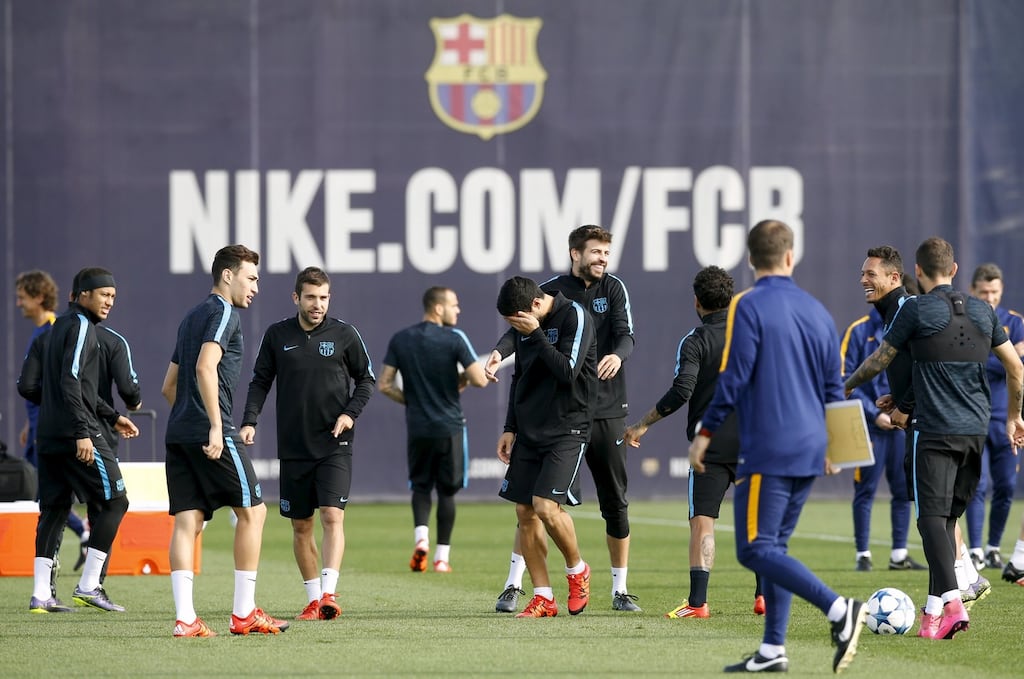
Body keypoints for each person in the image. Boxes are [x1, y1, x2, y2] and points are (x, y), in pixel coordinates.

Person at [690, 220, 866, 674]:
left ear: (750, 259)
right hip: (812, 447)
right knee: (776, 547)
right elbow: (834, 387)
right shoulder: (817, 310)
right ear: (791, 256)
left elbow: (734, 377)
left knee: (753, 549)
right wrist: (839, 447)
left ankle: (839, 609)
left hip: (771, 446)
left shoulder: (747, 305)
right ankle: (772, 650)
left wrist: (705, 434)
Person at [844, 237, 1024, 640]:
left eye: (869, 274)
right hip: (975, 428)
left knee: (930, 520)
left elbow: (879, 361)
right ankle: (932, 614)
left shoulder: (915, 309)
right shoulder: (982, 310)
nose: (863, 280)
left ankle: (957, 596)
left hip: (933, 427)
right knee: (945, 520)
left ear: (914, 272)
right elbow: (1016, 368)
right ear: (955, 270)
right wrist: (1015, 416)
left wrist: (847, 385)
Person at [486, 224, 639, 613]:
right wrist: (500, 353)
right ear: (575, 253)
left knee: (608, 500)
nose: (603, 258)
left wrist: (617, 355)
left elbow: (623, 337)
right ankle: (528, 589)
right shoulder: (546, 292)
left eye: (606, 252)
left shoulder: (603, 296)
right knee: (528, 508)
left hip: (592, 410)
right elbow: (519, 353)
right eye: (596, 251)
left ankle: (616, 587)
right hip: (541, 416)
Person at [623, 266, 764, 619]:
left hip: (709, 445)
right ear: (731, 298)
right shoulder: (752, 333)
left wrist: (642, 424)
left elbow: (682, 390)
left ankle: (698, 603)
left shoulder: (695, 340)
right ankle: (764, 596)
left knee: (703, 521)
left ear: (697, 301)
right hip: (754, 441)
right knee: (758, 521)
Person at [162, 244, 287, 637]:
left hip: (179, 431)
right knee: (254, 513)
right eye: (251, 278)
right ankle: (244, 613)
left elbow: (168, 386)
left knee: (188, 520)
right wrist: (215, 425)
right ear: (228, 275)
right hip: (209, 430)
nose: (255, 287)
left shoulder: (190, 316)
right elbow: (205, 366)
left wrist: (190, 417)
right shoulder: (223, 312)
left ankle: (185, 619)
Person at [240, 266, 375, 622]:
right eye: (311, 297)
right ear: (296, 298)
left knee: (332, 515)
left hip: (334, 442)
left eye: (324, 298)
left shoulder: (345, 334)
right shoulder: (277, 334)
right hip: (294, 446)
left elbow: (366, 380)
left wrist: (350, 414)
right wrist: (250, 420)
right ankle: (314, 600)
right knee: (301, 526)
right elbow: (260, 381)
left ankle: (329, 593)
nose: (318, 305)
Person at [17, 267, 139, 614]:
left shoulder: (51, 330)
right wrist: (82, 432)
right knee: (116, 502)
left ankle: (41, 594)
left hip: (48, 436)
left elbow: (31, 386)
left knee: (54, 509)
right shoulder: (84, 327)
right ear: (82, 294)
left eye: (113, 296)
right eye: (104, 295)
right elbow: (72, 381)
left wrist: (111, 416)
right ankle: (89, 585)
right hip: (77, 434)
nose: (109, 302)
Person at [494, 276, 595, 619]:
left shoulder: (574, 316)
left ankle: (577, 570)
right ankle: (543, 597)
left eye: (517, 321)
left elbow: (568, 371)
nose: (516, 328)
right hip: (529, 429)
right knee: (525, 512)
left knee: (545, 506)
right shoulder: (528, 324)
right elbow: (519, 377)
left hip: (568, 426)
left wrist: (536, 334)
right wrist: (510, 428)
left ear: (535, 305)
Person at [379, 286, 488, 574]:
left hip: (418, 427)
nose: (458, 310)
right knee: (447, 493)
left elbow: (384, 384)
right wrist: (462, 379)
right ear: (438, 308)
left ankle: (421, 540)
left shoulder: (401, 339)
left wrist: (412, 400)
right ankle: (441, 558)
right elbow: (479, 379)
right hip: (449, 427)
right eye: (454, 304)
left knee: (421, 487)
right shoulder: (455, 338)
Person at [839, 247, 926, 572]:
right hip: (870, 425)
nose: (862, 280)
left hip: (902, 419)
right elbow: (846, 379)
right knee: (865, 490)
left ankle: (899, 554)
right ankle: (863, 553)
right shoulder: (858, 330)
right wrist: (874, 412)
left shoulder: (908, 316)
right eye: (862, 274)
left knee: (904, 490)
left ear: (894, 278)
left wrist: (901, 403)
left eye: (869, 274)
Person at [15, 270, 90, 563]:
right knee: (43, 495)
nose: (18, 303)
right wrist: (28, 423)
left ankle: (72, 539)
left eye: (22, 297)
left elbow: (60, 383)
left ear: (38, 297)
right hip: (38, 425)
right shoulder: (41, 330)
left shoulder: (53, 329)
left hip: (50, 428)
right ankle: (74, 538)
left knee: (49, 495)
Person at [964, 263, 1024, 570]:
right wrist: (1009, 357)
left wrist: (995, 360)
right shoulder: (964, 320)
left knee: (1006, 486)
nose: (990, 297)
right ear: (973, 290)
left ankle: (993, 548)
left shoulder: (1014, 322)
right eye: (984, 292)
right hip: (973, 416)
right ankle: (975, 549)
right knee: (977, 484)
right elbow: (971, 365)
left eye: (994, 292)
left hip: (1006, 419)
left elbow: (1019, 370)